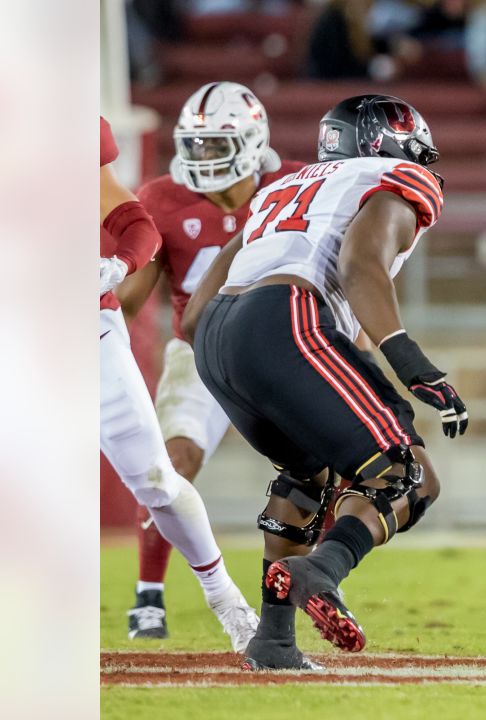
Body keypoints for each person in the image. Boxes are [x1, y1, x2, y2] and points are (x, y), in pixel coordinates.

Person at [183, 95, 469, 670]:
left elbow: (192, 317)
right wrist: (412, 363)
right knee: (409, 475)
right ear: (388, 143)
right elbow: (359, 266)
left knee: (307, 476)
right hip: (284, 317)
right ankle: (321, 570)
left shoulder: (277, 189)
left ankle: (274, 639)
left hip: (216, 341)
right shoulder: (396, 177)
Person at [113, 82, 307, 641]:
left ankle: (311, 588)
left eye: (213, 145)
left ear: (250, 142)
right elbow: (132, 298)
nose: (199, 158)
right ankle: (149, 593)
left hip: (286, 348)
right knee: (170, 463)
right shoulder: (161, 197)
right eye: (192, 145)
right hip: (199, 350)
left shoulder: (297, 185)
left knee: (319, 470)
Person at [99, 116, 259, 654]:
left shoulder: (68, 128)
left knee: (158, 478)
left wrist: (117, 266)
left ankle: (230, 604)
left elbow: (134, 224)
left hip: (86, 329)